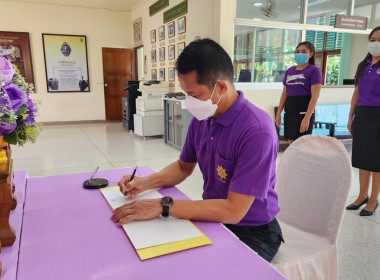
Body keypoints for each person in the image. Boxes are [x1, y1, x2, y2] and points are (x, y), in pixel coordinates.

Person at [111, 38, 283, 263]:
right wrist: (144, 183)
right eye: (185, 94)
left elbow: (234, 210)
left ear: (221, 87)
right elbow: (183, 167)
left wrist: (163, 206)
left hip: (253, 230)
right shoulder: (204, 118)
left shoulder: (256, 131)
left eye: (194, 95)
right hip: (213, 218)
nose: (189, 102)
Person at [346, 26, 380, 216]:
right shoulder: (363, 65)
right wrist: (351, 117)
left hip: (378, 116)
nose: (376, 43)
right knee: (362, 159)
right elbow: (356, 93)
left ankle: (374, 199)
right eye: (372, 39)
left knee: (376, 161)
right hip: (362, 115)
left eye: (379, 40)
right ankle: (362, 196)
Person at [275, 41, 322, 144]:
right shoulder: (290, 71)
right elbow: (284, 94)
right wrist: (278, 113)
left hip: (303, 112)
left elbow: (315, 96)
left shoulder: (314, 70)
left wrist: (307, 118)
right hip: (290, 112)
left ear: (311, 54)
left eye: (304, 51)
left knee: (303, 144)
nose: (300, 54)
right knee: (291, 143)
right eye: (298, 51)